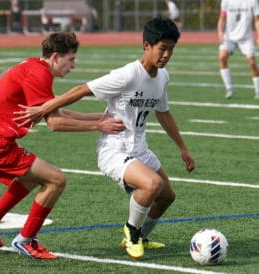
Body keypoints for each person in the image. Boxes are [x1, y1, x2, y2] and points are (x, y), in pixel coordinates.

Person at [13, 16, 195, 259]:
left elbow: (163, 113)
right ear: (147, 46)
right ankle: (132, 231)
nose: (166, 55)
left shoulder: (162, 77)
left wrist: (182, 147)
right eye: (162, 49)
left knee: (166, 197)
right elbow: (81, 90)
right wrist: (45, 109)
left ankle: (139, 236)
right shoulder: (127, 75)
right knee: (152, 184)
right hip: (114, 149)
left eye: (171, 50)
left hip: (139, 147)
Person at [0, 32, 124, 260]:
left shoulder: (34, 68)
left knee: (31, 177)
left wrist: (96, 117)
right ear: (55, 57)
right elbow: (55, 123)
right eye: (71, 59)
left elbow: (53, 111)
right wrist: (99, 125)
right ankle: (26, 240)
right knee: (56, 179)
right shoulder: (39, 74)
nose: (73, 66)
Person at [217, 0, 259, 99]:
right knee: (222, 58)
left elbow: (257, 19)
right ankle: (229, 88)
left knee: (252, 63)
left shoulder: (252, 1)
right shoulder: (226, 1)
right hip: (229, 36)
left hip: (246, 37)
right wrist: (220, 32)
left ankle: (258, 90)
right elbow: (222, 18)